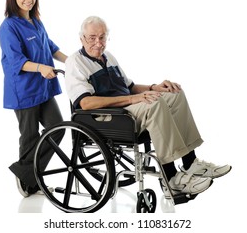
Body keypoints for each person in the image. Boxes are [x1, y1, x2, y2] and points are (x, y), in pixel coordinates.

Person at [65, 15, 231, 197]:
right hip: (107, 116)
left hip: (127, 108)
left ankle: (191, 163)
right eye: (92, 38)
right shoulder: (75, 62)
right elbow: (86, 102)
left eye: (102, 37)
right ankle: (172, 178)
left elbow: (130, 87)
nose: (98, 42)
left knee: (174, 95)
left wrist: (154, 87)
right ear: (81, 38)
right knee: (154, 104)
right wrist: (134, 99)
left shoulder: (108, 57)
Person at [0, 0, 68, 197]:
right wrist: (40, 68)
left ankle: (26, 172)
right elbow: (16, 60)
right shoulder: (8, 27)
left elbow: (50, 46)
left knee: (57, 127)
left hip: (43, 88)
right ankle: (28, 180)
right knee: (29, 136)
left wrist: (72, 61)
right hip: (24, 89)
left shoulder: (36, 21)